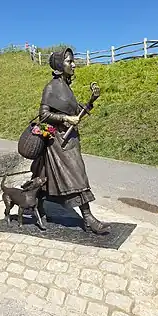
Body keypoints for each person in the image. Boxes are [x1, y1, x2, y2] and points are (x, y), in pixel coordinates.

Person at [31, 47, 110, 234]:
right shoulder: (51, 87)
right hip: (59, 142)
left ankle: (37, 204)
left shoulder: (66, 87)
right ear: (59, 65)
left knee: (49, 178)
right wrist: (65, 119)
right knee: (78, 175)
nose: (73, 64)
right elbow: (43, 115)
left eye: (72, 61)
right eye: (69, 61)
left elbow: (75, 114)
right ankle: (89, 218)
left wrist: (91, 100)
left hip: (71, 140)